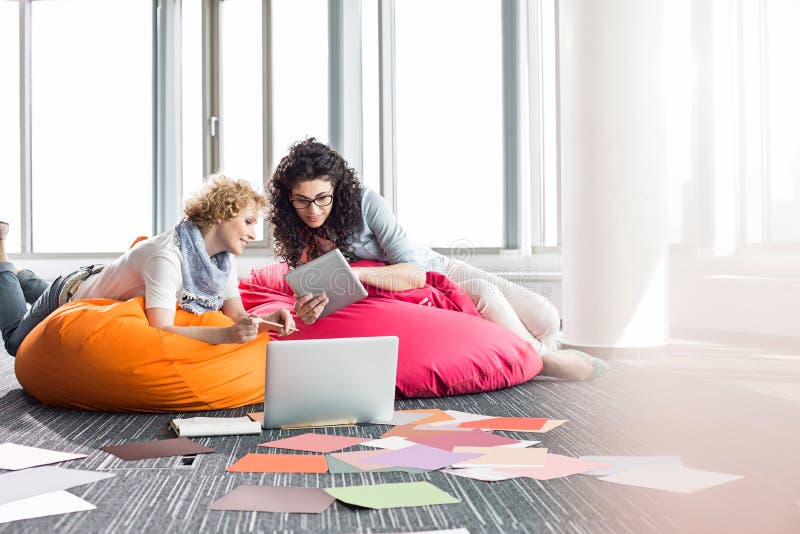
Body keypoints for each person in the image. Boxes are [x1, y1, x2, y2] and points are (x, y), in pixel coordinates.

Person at [268, 138, 608, 381]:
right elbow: (311, 297)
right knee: (488, 296)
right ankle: (543, 360)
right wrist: (306, 308)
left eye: (322, 198)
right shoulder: (297, 233)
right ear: (289, 199)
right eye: (302, 201)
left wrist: (356, 273)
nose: (313, 210)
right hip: (410, 298)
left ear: (337, 191)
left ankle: (535, 362)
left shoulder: (365, 203)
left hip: (434, 268)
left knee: (547, 317)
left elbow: (414, 272)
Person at [0, 175, 294, 357]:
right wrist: (227, 336)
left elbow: (238, 315)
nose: (254, 234)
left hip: (99, 278)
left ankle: (24, 279)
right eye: (248, 222)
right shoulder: (168, 258)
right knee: (15, 344)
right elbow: (161, 329)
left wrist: (270, 320)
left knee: (46, 293)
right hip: (69, 294)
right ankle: (5, 265)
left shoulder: (221, 263)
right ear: (220, 214)